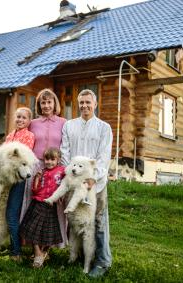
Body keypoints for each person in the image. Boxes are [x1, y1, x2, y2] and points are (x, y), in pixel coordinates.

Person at [60, 89, 113, 278]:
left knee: (98, 222)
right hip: (74, 184)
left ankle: (102, 261)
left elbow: (104, 156)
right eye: (81, 103)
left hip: (95, 184)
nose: (84, 106)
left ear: (95, 104)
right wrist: (71, 178)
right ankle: (79, 256)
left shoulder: (104, 128)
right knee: (74, 221)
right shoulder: (69, 126)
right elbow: (64, 152)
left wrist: (93, 178)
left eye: (88, 102)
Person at [21, 88, 68, 248]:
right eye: (43, 102)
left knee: (55, 204)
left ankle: (52, 244)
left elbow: (66, 146)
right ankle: (31, 240)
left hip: (56, 170)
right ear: (39, 105)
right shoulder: (33, 123)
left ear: (54, 103)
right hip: (37, 167)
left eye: (49, 102)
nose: (46, 105)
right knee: (33, 204)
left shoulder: (63, 123)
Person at [19, 148, 65, 268]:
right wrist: (37, 178)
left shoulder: (62, 171)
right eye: (47, 159)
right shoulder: (42, 172)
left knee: (47, 231)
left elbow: (67, 184)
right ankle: (38, 253)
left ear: (58, 160)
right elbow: (34, 190)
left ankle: (43, 252)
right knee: (31, 228)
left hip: (50, 205)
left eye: (52, 159)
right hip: (38, 202)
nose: (49, 162)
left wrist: (61, 196)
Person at [4, 107, 35, 262]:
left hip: (18, 179)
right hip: (6, 177)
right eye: (18, 117)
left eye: (24, 118)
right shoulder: (10, 136)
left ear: (29, 121)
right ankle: (11, 247)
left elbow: (22, 158)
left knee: (12, 213)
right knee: (6, 213)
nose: (20, 120)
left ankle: (16, 253)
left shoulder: (29, 136)